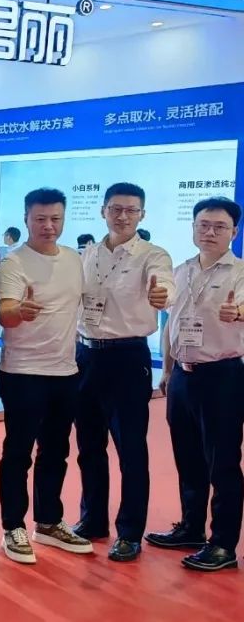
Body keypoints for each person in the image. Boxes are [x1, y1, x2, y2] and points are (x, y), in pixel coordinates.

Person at [73, 183, 174, 562]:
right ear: (103, 211)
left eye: (131, 210)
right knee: (89, 445)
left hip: (128, 357)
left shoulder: (153, 255)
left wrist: (162, 295)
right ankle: (93, 520)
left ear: (142, 214)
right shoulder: (87, 254)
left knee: (131, 448)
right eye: (116, 209)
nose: (123, 216)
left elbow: (165, 284)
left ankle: (130, 532)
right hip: (85, 355)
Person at [146, 196, 244, 572]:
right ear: (193, 228)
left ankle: (223, 544)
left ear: (234, 232)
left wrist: (237, 313)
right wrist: (167, 370)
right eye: (203, 225)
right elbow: (171, 324)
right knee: (187, 457)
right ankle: (191, 528)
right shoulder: (181, 271)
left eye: (220, 227)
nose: (210, 232)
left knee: (222, 462)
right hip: (182, 377)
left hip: (223, 377)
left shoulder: (239, 273)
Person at [0, 188, 91, 564]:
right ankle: (12, 526)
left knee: (56, 450)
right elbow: (5, 313)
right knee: (18, 452)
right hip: (23, 372)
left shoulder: (74, 260)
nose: (48, 226)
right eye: (40, 219)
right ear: (26, 219)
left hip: (65, 371)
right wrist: (20, 311)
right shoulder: (13, 264)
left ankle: (48, 522)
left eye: (55, 219)